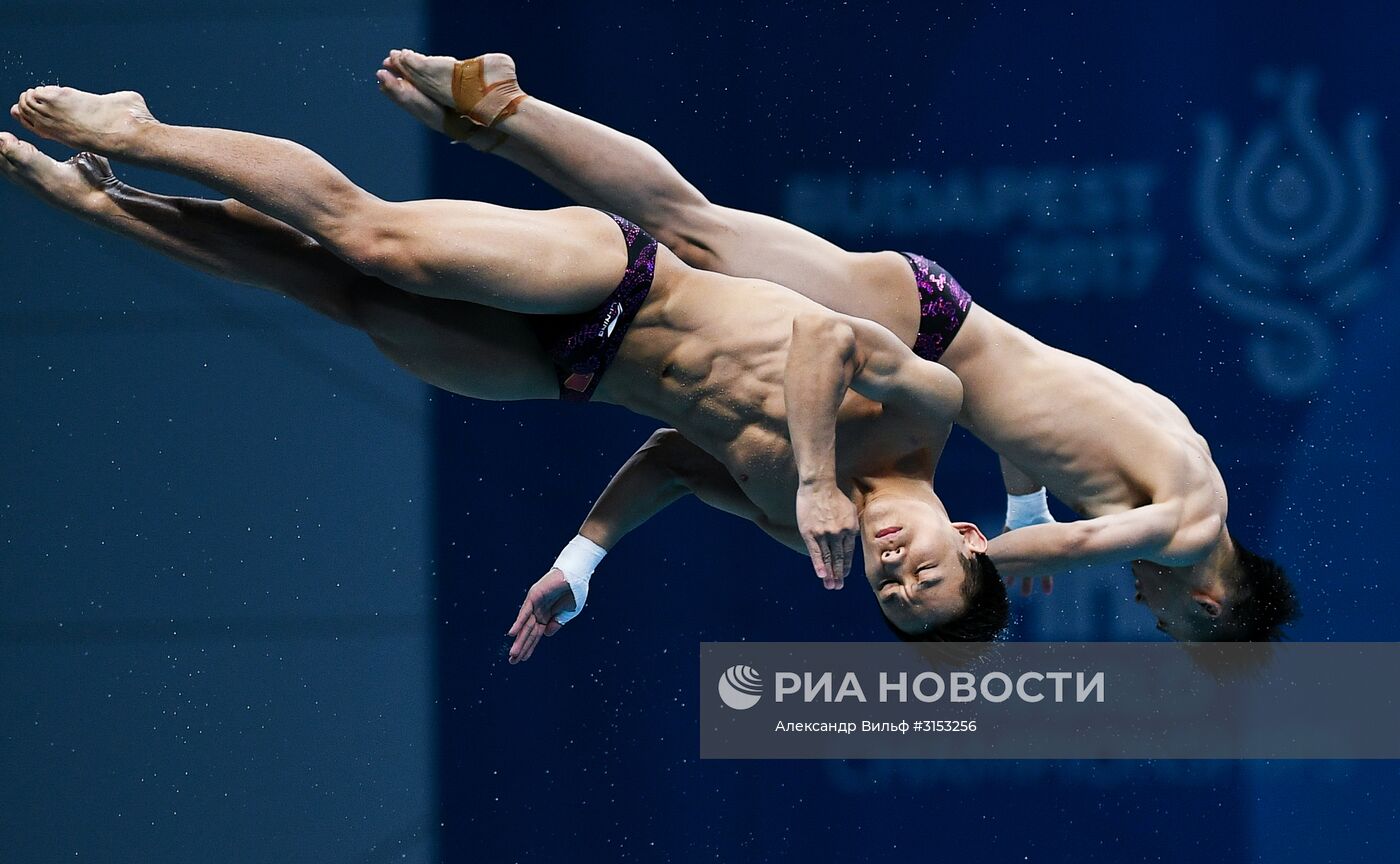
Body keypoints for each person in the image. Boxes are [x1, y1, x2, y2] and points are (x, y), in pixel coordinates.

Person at [2, 84, 1005, 664]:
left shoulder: (804, 534)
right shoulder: (929, 412)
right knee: (377, 242)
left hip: (564, 372)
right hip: (628, 280)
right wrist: (823, 473)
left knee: (346, 299)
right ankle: (136, 130)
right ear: (962, 534)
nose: (892, 566)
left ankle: (107, 204)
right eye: (923, 567)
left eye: (891, 594)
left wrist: (581, 562)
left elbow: (677, 460)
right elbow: (823, 343)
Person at [374, 49, 1299, 643]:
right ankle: (503, 109)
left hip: (942, 322)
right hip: (923, 326)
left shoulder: (1192, 459)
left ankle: (500, 115)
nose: (1149, 605)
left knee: (692, 230)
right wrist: (980, 570)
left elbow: (1043, 417)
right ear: (1208, 607)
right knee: (687, 226)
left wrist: (1022, 509)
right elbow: (1093, 541)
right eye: (1167, 623)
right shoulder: (1188, 534)